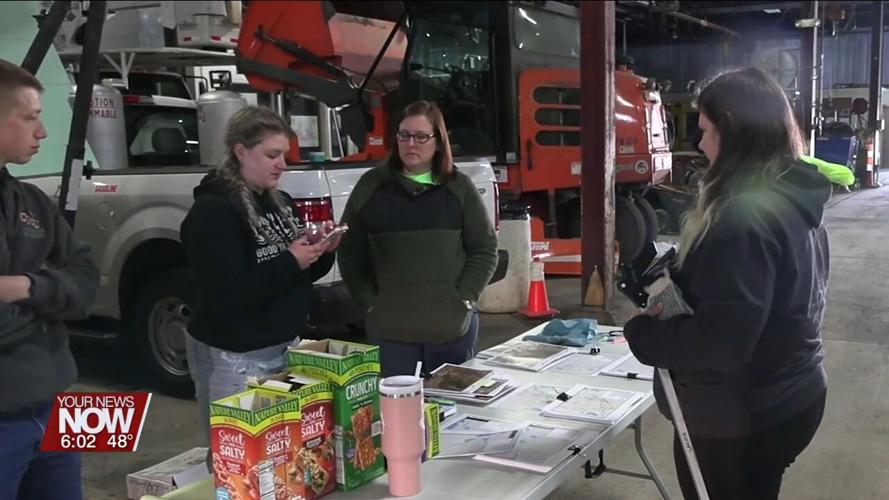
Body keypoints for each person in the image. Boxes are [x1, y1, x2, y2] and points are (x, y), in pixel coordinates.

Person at [624, 67, 830, 500]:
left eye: (705, 130)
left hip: (746, 414)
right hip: (795, 392)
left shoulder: (743, 219)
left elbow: (722, 343)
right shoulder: (790, 194)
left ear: (733, 132)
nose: (700, 144)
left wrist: (643, 334)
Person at [180, 106, 336, 443]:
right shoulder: (213, 213)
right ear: (241, 152)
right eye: (272, 155)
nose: (282, 164)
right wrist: (292, 261)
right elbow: (230, 293)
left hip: (282, 347)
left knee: (281, 453)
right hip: (234, 355)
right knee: (238, 456)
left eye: (284, 155)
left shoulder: (281, 204)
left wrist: (322, 251)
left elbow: (299, 277)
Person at [338, 100, 498, 377]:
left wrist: (465, 299)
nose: (411, 143)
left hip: (451, 330)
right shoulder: (371, 186)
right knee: (399, 405)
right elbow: (350, 252)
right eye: (404, 135)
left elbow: (484, 249)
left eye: (421, 136)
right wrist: (370, 303)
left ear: (438, 142)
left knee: (451, 403)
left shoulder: (459, 188)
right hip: (391, 334)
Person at [0, 59, 100, 500]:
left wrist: (26, 287)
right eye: (31, 118)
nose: (42, 132)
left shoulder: (32, 201)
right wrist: (52, 306)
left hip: (57, 405)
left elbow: (86, 282)